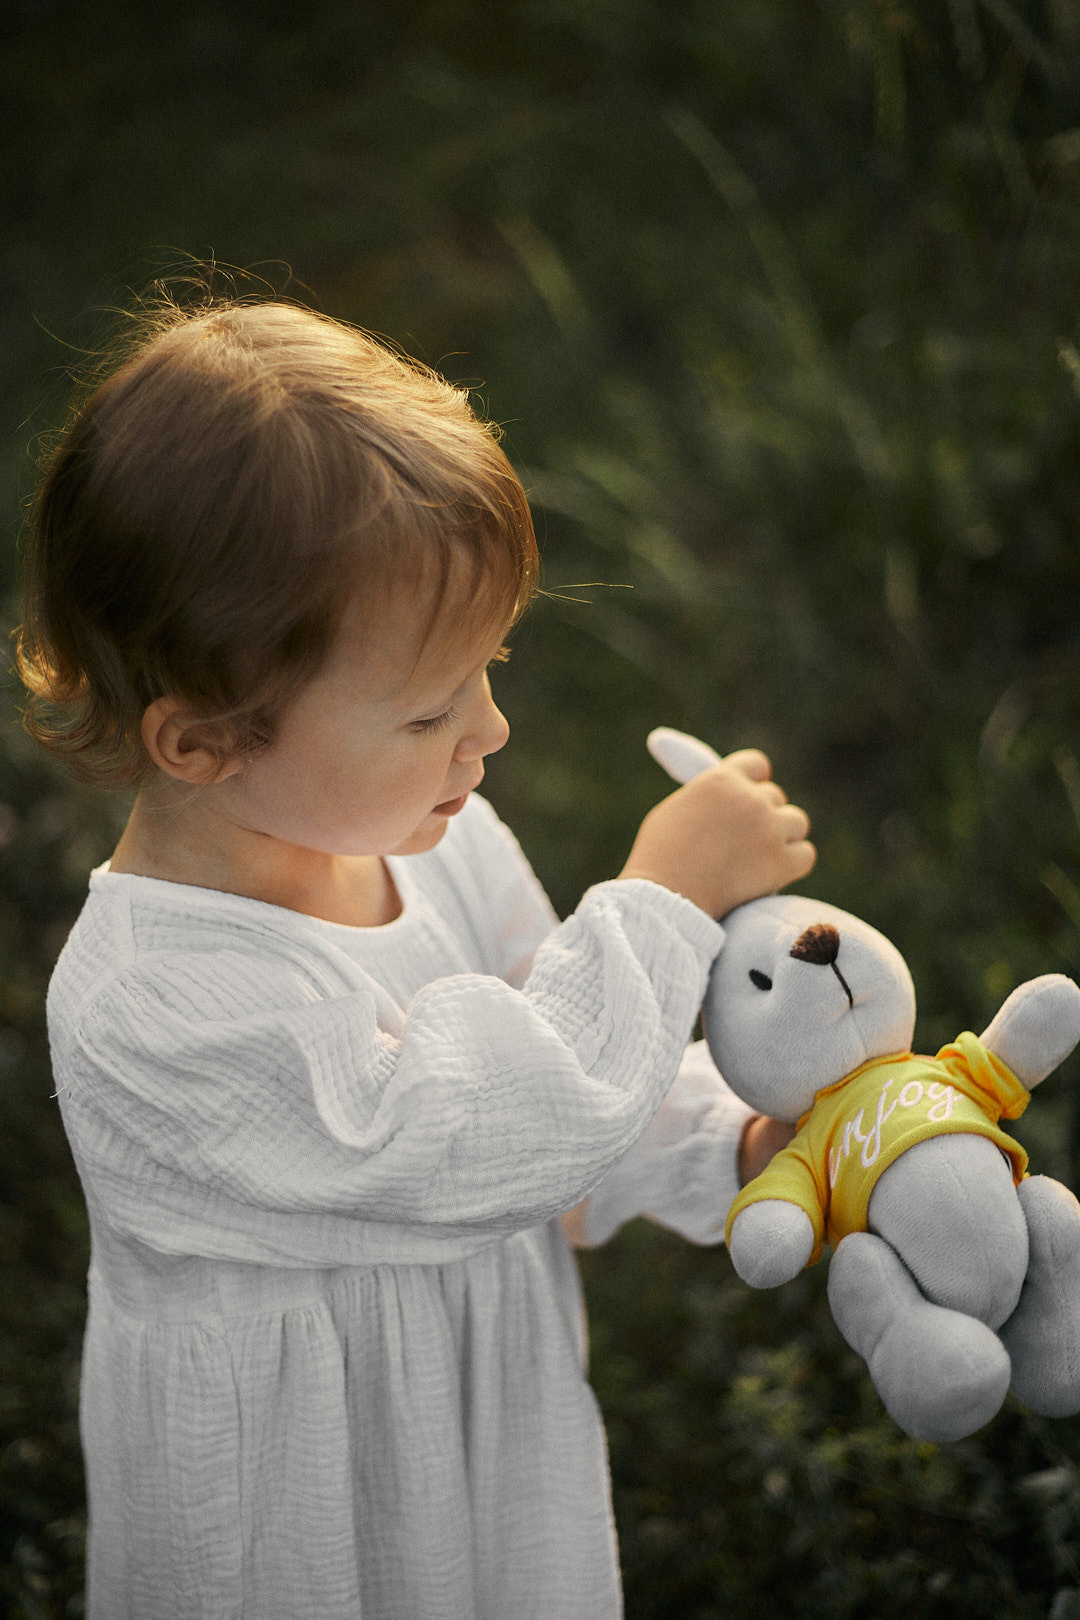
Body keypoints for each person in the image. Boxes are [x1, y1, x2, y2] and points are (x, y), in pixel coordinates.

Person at [14, 294, 813, 1619]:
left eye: (490, 668)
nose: (489, 730)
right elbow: (470, 1138)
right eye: (431, 709)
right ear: (201, 741)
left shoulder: (441, 843)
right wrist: (663, 901)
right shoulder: (152, 1005)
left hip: (483, 1458)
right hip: (297, 1527)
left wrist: (735, 1140)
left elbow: (565, 1068)